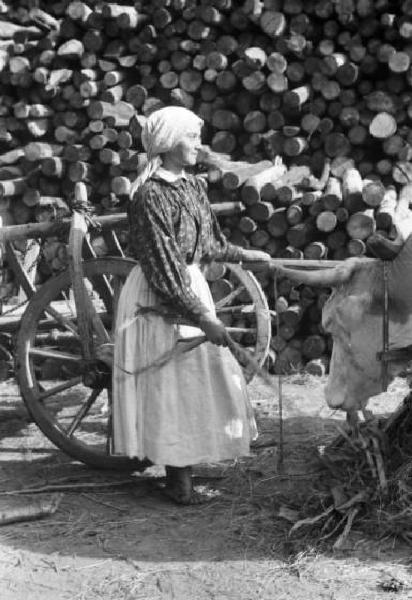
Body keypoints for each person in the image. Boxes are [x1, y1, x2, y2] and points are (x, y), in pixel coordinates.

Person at [112, 106, 272, 505]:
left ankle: (185, 465)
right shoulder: (149, 197)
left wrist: (246, 253)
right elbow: (165, 272)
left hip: (190, 284)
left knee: (196, 382)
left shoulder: (192, 187)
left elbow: (210, 243)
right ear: (167, 144)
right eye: (192, 138)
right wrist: (202, 318)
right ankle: (178, 481)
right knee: (173, 383)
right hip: (160, 293)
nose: (199, 146)